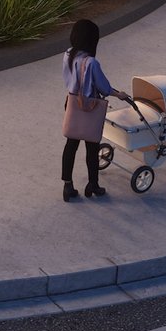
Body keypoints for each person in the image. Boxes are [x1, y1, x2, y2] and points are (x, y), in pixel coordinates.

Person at [60, 19, 118, 201]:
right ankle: (93, 184)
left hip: (72, 103)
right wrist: (119, 94)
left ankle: (67, 185)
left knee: (71, 145)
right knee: (92, 148)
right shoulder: (91, 62)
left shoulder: (68, 54)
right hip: (89, 107)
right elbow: (104, 87)